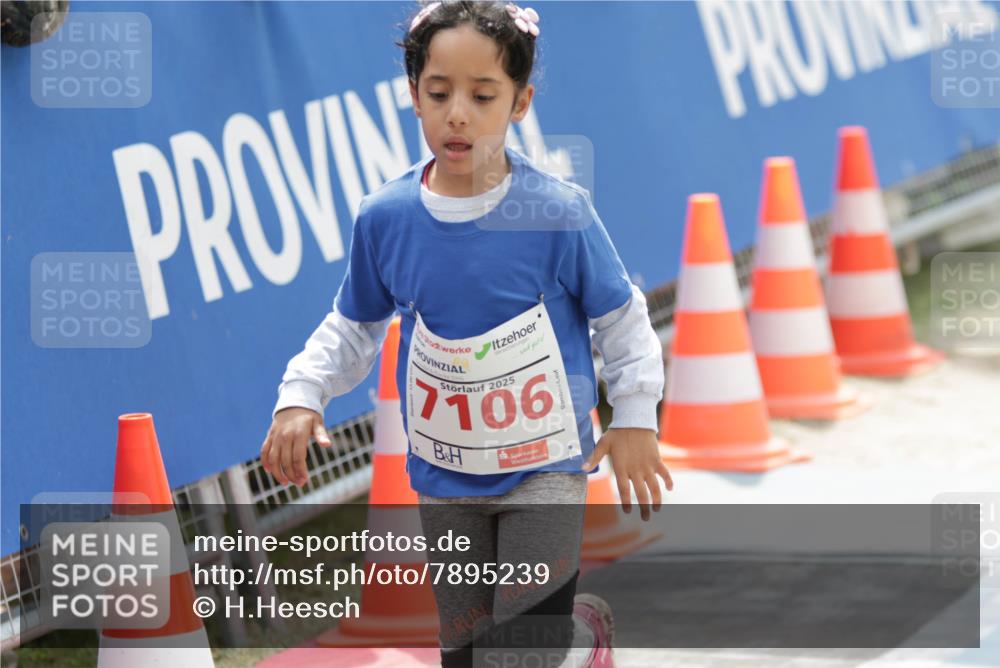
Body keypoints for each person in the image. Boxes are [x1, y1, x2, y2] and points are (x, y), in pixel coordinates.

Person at [261, 2, 672, 665]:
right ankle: (576, 642)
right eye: (439, 92)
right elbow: (355, 323)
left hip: (546, 465)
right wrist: (302, 394)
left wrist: (634, 419)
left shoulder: (557, 213)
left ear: (520, 101)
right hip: (445, 474)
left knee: (516, 653)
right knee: (467, 650)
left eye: (482, 96)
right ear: (412, 96)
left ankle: (567, 640)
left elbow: (621, 320)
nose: (458, 112)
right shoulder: (386, 218)